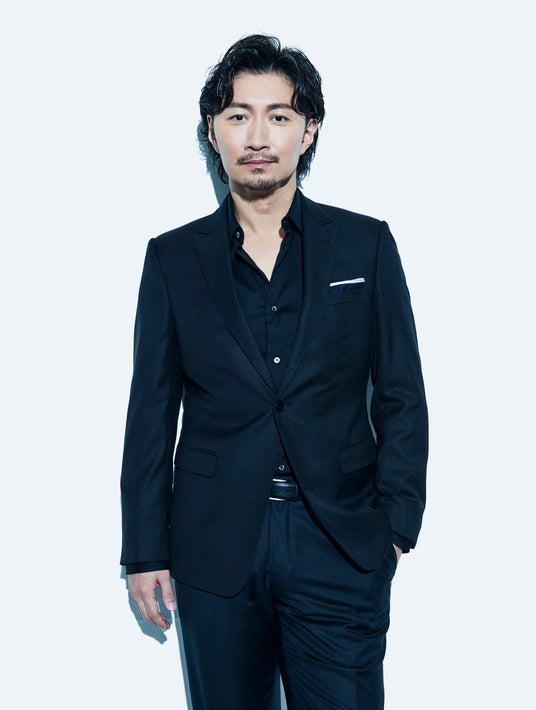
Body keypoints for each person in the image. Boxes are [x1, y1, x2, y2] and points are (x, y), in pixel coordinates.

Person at [120, 33, 428, 709]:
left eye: (278, 115)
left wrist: (396, 526)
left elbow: (401, 393)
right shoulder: (173, 259)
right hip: (213, 547)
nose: (258, 136)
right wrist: (144, 552)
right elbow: (150, 413)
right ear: (213, 130)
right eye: (238, 116)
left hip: (338, 542)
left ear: (307, 130)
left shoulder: (366, 245)